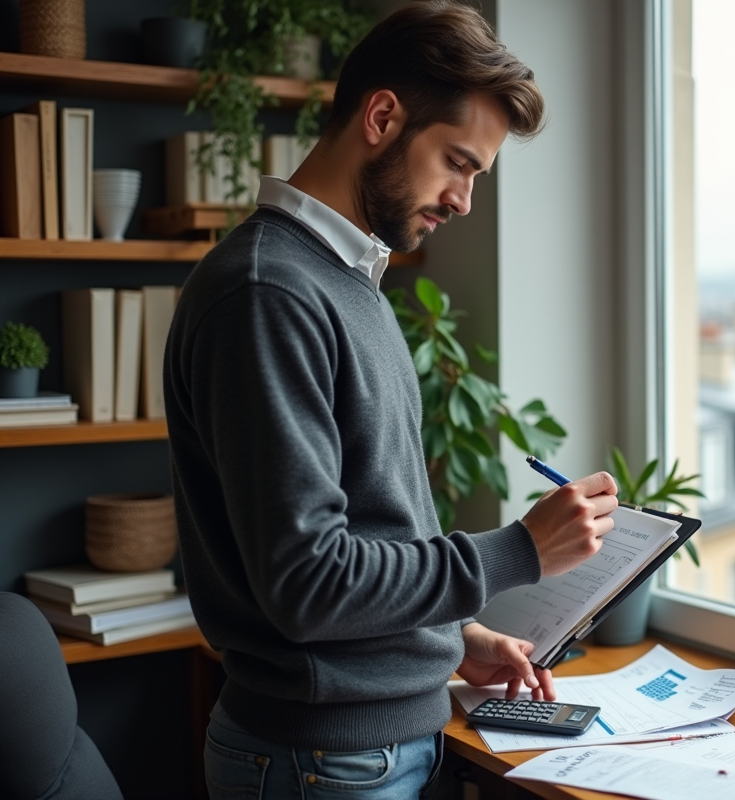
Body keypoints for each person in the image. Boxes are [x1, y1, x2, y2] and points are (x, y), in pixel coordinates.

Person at [162, 2, 619, 798]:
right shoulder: (271, 292)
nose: (464, 200)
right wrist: (519, 552)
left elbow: (367, 530)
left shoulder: (343, 283)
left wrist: (451, 638)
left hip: (362, 751)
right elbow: (309, 582)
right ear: (382, 117)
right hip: (320, 765)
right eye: (459, 163)